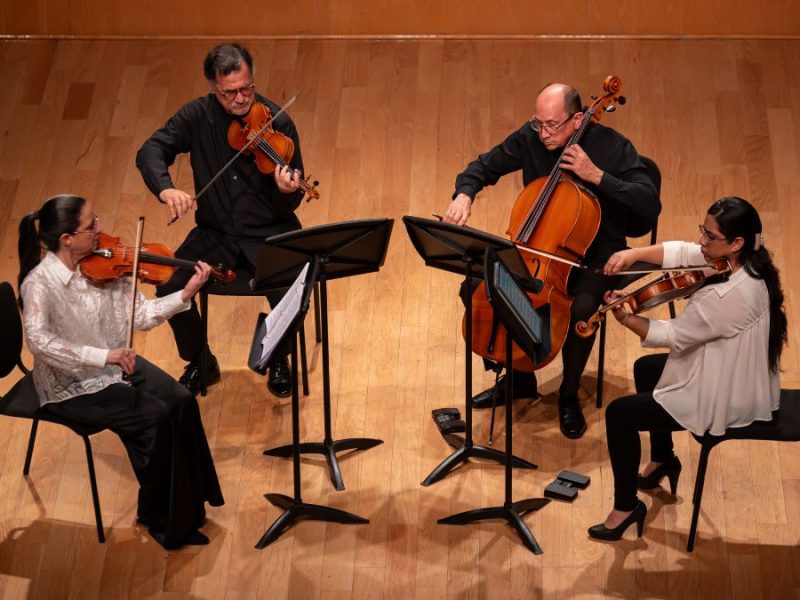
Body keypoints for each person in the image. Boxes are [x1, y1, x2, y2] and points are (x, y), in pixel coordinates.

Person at [442, 82, 660, 439]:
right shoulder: (533, 138)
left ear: (577, 119)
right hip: (538, 251)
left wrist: (596, 176)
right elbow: (483, 166)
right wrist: (465, 194)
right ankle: (520, 378)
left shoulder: (612, 147)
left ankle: (568, 395)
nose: (543, 133)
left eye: (552, 125)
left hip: (599, 256)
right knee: (477, 288)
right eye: (537, 123)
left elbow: (649, 203)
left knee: (582, 311)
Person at [18, 194, 225, 550]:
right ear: (67, 239)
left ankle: (193, 503)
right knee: (154, 417)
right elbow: (39, 343)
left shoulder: (106, 265)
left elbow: (141, 317)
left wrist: (186, 293)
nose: (100, 230)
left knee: (180, 399)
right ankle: (161, 518)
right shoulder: (40, 284)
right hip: (72, 385)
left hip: (116, 363)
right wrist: (104, 356)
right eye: (91, 226)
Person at [587, 196, 788, 540]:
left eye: (710, 237)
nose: (702, 242)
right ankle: (663, 459)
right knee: (646, 370)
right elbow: (682, 253)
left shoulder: (727, 297)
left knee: (620, 415)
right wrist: (633, 254)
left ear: (736, 242)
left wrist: (627, 318)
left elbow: (675, 335)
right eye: (703, 231)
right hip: (731, 366)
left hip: (722, 394)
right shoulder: (743, 262)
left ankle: (625, 507)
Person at [136, 42, 307, 397]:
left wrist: (286, 189)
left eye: (248, 88)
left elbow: (295, 196)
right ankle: (200, 360)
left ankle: (278, 355)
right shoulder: (197, 116)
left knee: (296, 285)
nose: (242, 99)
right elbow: (151, 150)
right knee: (169, 282)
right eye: (231, 93)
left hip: (270, 232)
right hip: (215, 233)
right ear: (214, 89)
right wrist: (166, 189)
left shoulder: (278, 121)